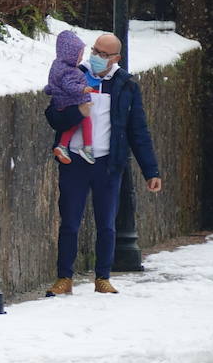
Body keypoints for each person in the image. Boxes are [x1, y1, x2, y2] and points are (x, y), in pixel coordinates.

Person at [44, 33, 163, 296]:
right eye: (95, 51)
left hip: (108, 163)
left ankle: (103, 277)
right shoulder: (74, 75)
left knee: (107, 223)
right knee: (70, 222)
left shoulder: (125, 85)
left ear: (116, 59)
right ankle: (64, 277)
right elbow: (53, 115)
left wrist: (150, 171)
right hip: (74, 159)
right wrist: (77, 113)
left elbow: (138, 130)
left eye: (103, 54)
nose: (96, 57)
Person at [45, 28, 98, 164]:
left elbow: (54, 82)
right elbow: (69, 85)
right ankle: (87, 147)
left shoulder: (57, 65)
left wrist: (50, 89)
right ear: (71, 54)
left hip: (60, 102)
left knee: (73, 124)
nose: (81, 58)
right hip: (71, 102)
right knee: (85, 121)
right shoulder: (70, 71)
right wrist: (83, 89)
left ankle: (62, 146)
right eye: (79, 54)